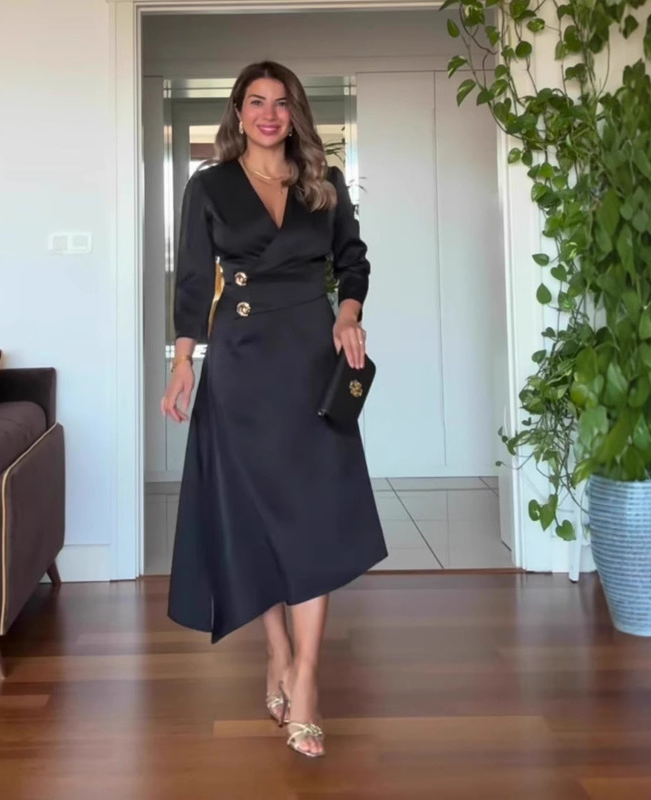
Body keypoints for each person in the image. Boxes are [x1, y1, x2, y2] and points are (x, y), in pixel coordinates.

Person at [161, 60, 387, 758]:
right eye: (256, 102)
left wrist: (348, 315)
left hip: (312, 357)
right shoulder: (209, 186)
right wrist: (182, 363)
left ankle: (307, 678)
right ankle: (279, 651)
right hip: (240, 363)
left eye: (281, 102)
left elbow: (353, 260)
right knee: (252, 513)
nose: (268, 114)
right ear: (238, 112)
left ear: (295, 114)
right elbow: (193, 281)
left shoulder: (325, 182)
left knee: (314, 514)